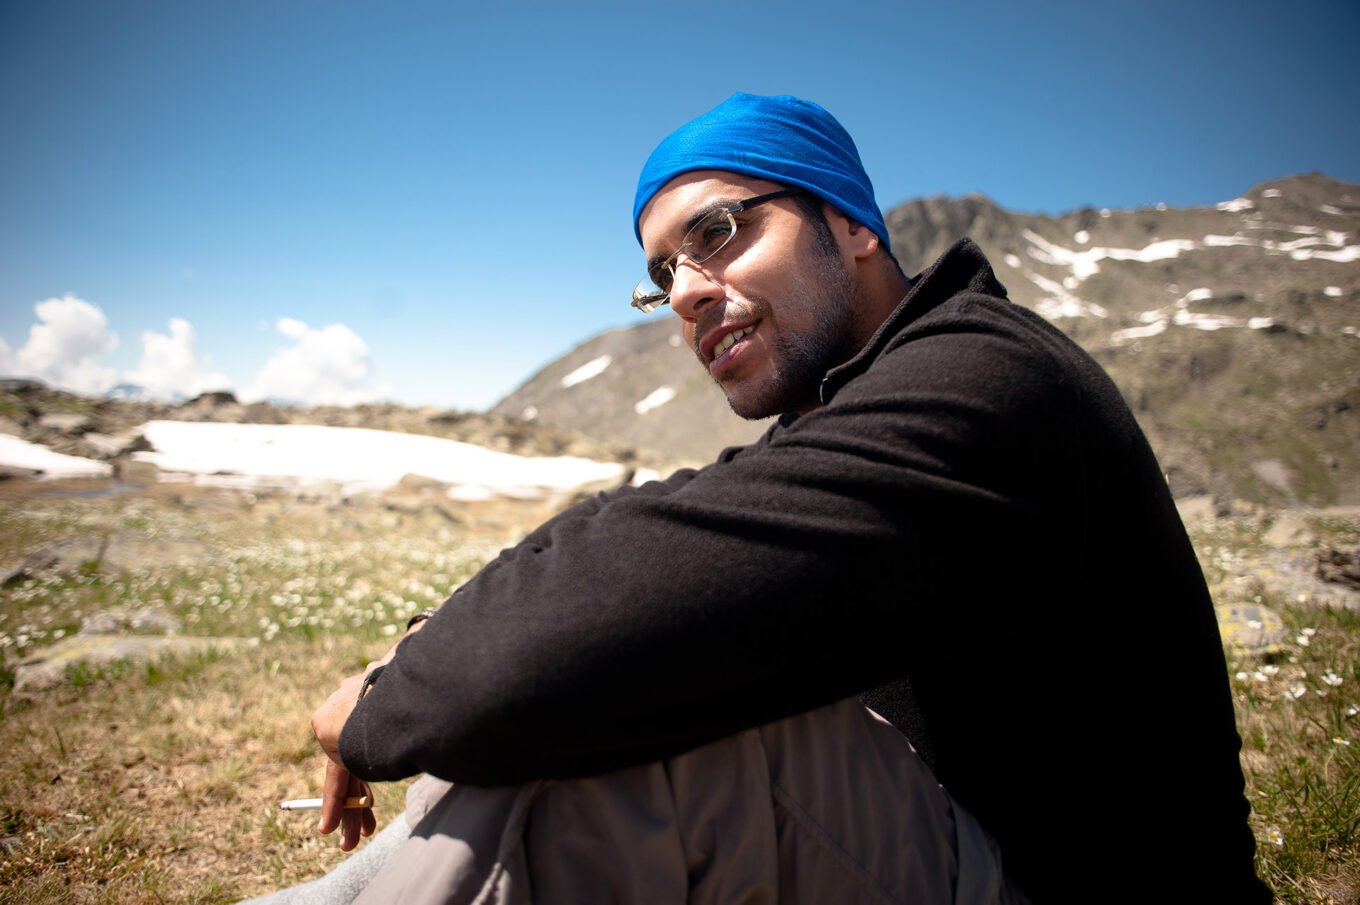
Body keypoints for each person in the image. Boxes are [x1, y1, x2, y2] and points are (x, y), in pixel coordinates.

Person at [262, 93, 1270, 903]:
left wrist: (380, 707)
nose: (687, 290)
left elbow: (581, 624)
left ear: (849, 222)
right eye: (663, 272)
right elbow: (640, 534)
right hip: (952, 847)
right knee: (611, 679)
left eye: (722, 231)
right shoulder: (851, 409)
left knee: (618, 699)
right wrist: (415, 657)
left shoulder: (987, 384)